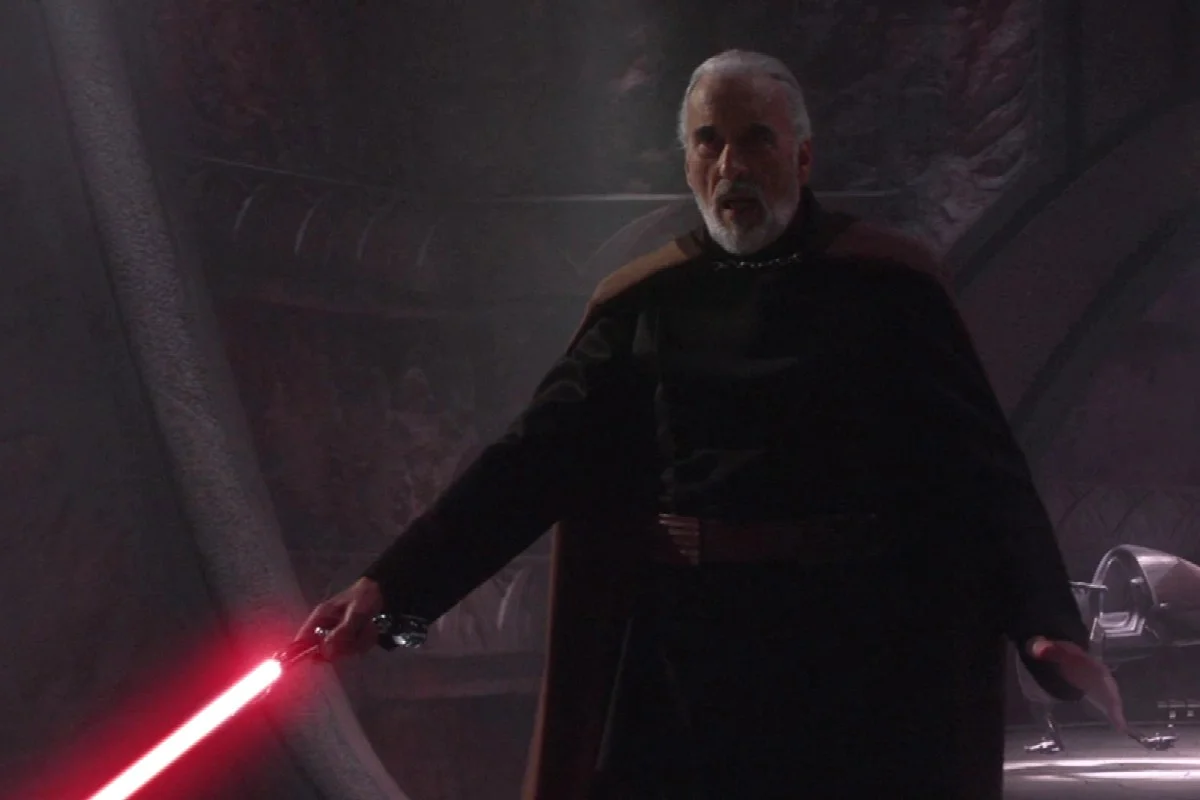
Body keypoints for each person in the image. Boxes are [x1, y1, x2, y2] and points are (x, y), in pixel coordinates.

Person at [297, 50, 1126, 799]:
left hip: (857, 660)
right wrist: (392, 588)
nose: (732, 165)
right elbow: (526, 465)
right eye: (710, 142)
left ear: (802, 157)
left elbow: (984, 473)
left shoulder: (889, 291)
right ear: (689, 162)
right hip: (688, 663)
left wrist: (1046, 625)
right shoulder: (646, 305)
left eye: (756, 140)